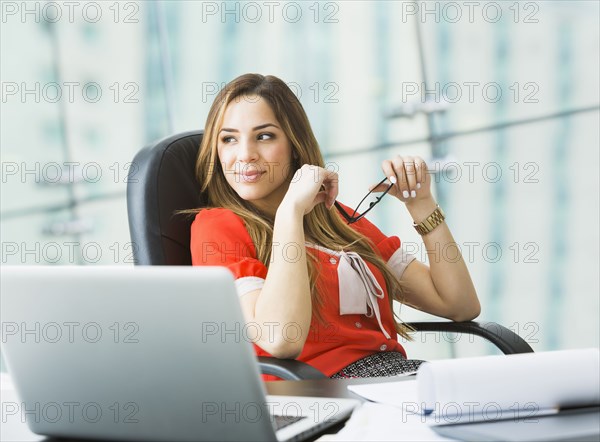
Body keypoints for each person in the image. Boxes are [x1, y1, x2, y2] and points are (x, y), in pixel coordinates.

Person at [189, 73, 480, 379]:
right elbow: (281, 339)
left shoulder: (336, 220)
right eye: (229, 139)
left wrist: (420, 203)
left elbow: (459, 304)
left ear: (295, 146)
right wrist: (291, 212)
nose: (245, 154)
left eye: (264, 136)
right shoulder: (217, 227)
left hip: (393, 379)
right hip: (316, 394)